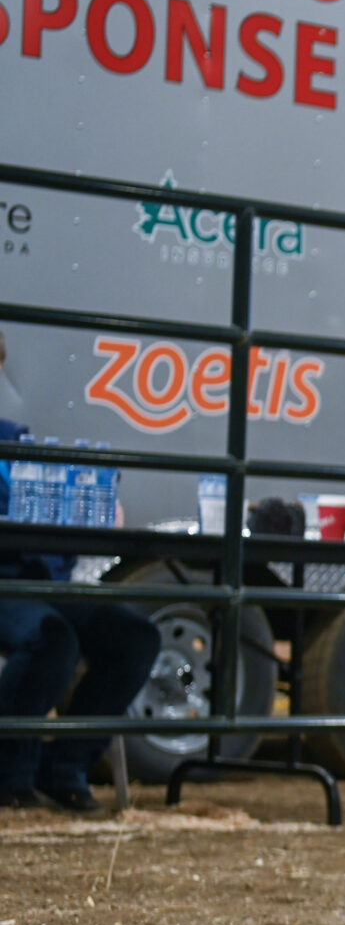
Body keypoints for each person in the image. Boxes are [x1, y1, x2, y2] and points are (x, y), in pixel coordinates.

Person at [0, 330, 160, 812]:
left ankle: (66, 765)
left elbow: (47, 506)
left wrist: (92, 513)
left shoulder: (14, 439)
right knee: (53, 637)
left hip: (40, 576)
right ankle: (11, 772)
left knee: (135, 637)